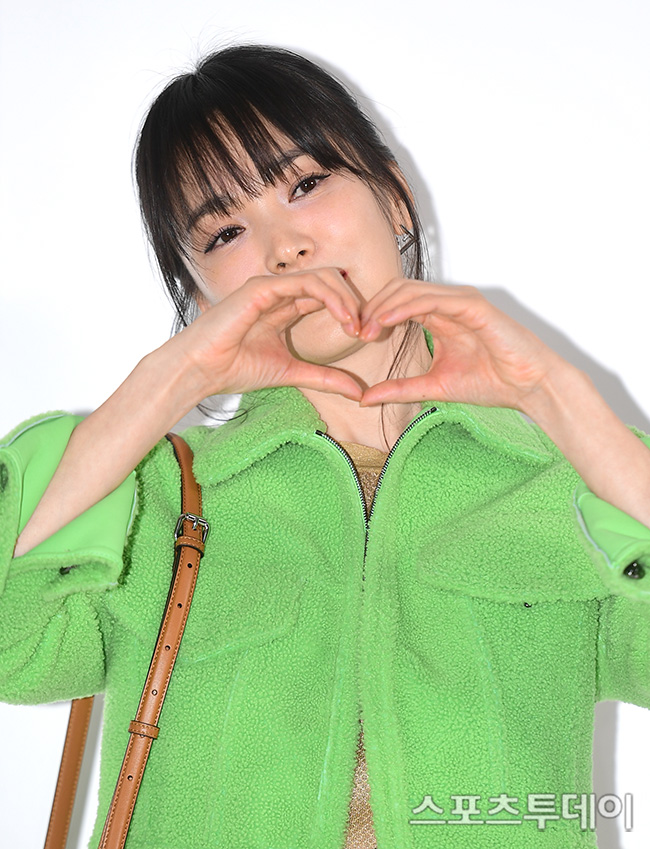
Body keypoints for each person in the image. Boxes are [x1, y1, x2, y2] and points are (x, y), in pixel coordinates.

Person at [1, 43, 650, 849]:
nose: (283, 247)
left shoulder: (565, 484)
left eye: (304, 184)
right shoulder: (148, 501)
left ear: (396, 198)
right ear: (197, 292)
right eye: (225, 231)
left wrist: (555, 396)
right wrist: (163, 384)